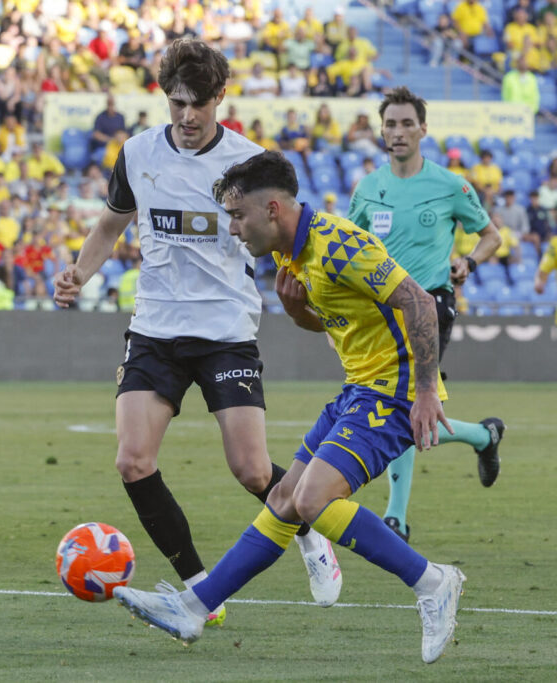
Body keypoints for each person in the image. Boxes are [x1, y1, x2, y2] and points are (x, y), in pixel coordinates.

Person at [113, 151, 466, 665]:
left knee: (313, 501)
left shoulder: (342, 245)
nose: (232, 229)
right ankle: (194, 608)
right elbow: (331, 321)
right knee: (283, 497)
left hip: (395, 390)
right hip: (359, 388)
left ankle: (434, 582)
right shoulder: (286, 253)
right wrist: (299, 310)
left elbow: (418, 302)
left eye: (237, 216)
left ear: (273, 208)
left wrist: (428, 390)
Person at [52, 39, 342, 627]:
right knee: (132, 461)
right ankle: (199, 589)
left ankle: (311, 534)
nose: (186, 116)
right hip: (155, 327)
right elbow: (111, 223)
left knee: (253, 472)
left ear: (220, 99)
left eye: (199, 104)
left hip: (226, 329)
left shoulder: (249, 161)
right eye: (176, 102)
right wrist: (80, 272)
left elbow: (285, 237)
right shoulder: (136, 153)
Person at [347, 88, 504, 542]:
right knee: (408, 408)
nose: (397, 132)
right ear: (382, 130)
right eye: (390, 124)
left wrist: (469, 262)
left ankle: (395, 517)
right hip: (380, 310)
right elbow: (351, 246)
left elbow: (491, 235)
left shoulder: (451, 185)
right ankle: (482, 436)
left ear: (422, 130)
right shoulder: (367, 188)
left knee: (407, 401)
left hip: (432, 303)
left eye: (405, 124)